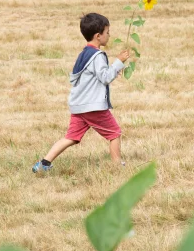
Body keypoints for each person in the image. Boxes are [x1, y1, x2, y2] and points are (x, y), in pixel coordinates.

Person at [33, 13, 131, 173]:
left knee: (71, 137)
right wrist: (118, 62)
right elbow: (105, 77)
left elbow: (94, 76)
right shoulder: (98, 56)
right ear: (98, 36)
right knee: (114, 133)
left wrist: (111, 70)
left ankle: (43, 164)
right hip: (92, 107)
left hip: (78, 105)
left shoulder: (84, 54)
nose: (109, 35)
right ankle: (116, 165)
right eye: (107, 32)